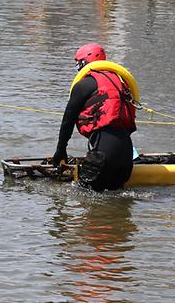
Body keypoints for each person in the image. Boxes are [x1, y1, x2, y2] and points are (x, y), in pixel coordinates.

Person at [52, 44, 136, 192]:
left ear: (84, 63)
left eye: (78, 63)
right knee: (115, 202)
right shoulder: (121, 83)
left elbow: (68, 120)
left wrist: (60, 150)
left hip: (104, 153)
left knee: (86, 198)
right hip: (127, 154)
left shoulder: (84, 84)